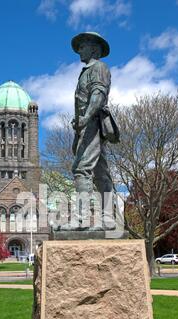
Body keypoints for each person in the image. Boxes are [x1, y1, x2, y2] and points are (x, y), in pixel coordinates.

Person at [62, 32, 120, 231]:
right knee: (100, 172)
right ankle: (108, 219)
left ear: (94, 48)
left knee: (82, 169)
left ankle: (81, 220)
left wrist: (86, 117)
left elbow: (98, 94)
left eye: (83, 45)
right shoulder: (86, 71)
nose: (79, 50)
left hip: (92, 124)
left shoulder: (99, 68)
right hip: (85, 125)